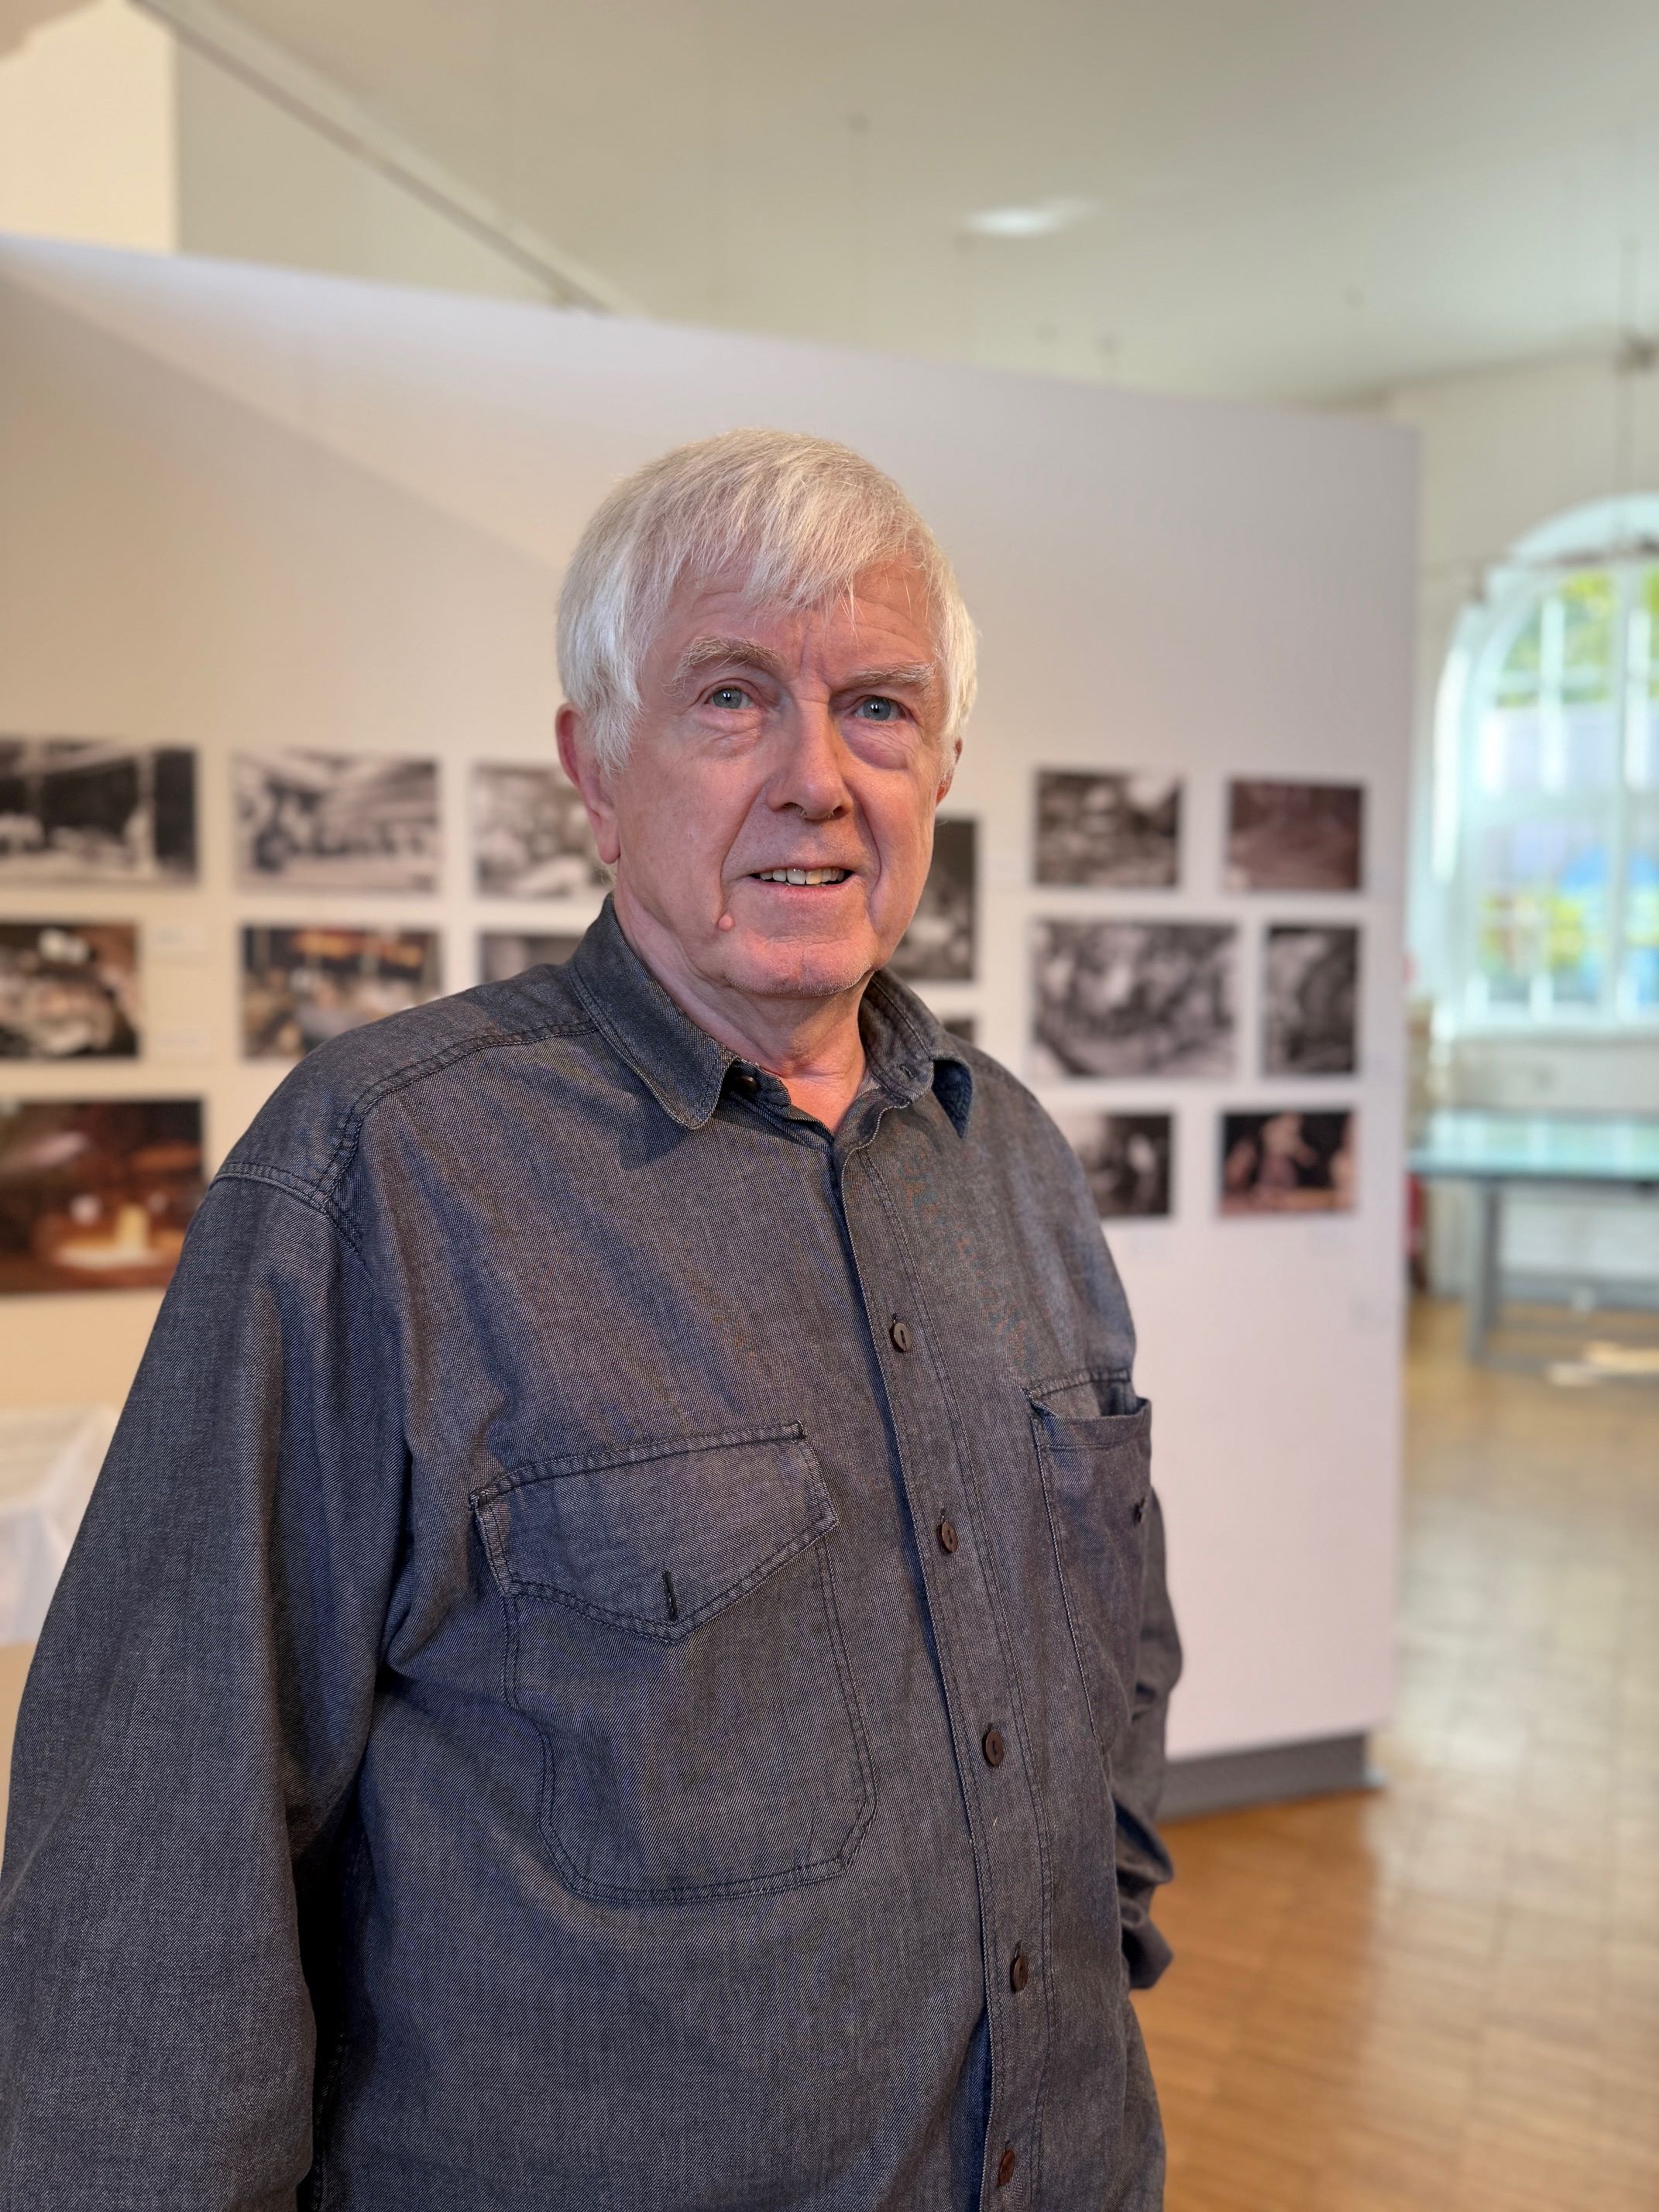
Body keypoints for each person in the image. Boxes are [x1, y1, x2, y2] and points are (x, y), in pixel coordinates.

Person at [0, 430, 1180, 2210]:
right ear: (595, 771)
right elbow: (161, 1840)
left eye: (877, 707)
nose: (815, 779)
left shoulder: (1004, 1151)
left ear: (941, 763)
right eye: (731, 700)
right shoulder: (381, 1176)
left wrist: (1105, 1910)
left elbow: (1114, 1630)